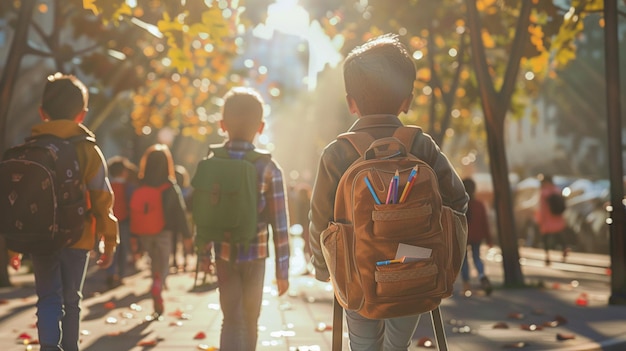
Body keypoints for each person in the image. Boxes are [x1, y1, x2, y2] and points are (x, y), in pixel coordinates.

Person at [308, 34, 468, 350]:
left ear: (351, 102)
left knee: (364, 344)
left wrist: (322, 268)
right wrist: (444, 258)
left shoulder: (337, 153)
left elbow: (318, 219)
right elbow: (458, 202)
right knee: (398, 345)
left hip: (356, 274)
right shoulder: (422, 146)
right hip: (415, 271)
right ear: (406, 101)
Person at [23, 73, 118, 351]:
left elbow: (19, 201)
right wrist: (109, 239)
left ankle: (49, 347)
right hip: (79, 236)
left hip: (40, 238)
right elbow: (102, 197)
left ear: (43, 113)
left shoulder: (31, 148)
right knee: (71, 300)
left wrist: (14, 247)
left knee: (47, 298)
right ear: (82, 114)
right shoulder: (88, 150)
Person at [196, 87, 290, 351]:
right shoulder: (269, 167)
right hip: (256, 254)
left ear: (222, 125)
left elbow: (202, 214)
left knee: (229, 320)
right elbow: (280, 225)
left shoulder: (211, 162)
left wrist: (203, 256)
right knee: (250, 320)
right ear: (260, 127)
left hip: (223, 254)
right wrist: (283, 270)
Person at [132, 144, 192, 318]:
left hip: (145, 231)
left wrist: (134, 236)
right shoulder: (170, 185)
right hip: (164, 231)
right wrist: (187, 236)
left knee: (153, 261)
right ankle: (159, 283)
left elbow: (135, 209)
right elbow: (180, 212)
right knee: (163, 263)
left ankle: (155, 281)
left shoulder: (141, 184)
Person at [105, 156, 137, 288]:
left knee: (111, 248)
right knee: (123, 248)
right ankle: (121, 275)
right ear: (124, 172)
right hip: (124, 221)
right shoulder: (128, 186)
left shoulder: (108, 186)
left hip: (110, 220)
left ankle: (110, 273)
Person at [460, 177, 493, 296]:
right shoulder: (479, 204)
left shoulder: (460, 205)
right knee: (476, 258)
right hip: (477, 236)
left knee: (463, 261)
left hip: (463, 236)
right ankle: (482, 276)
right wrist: (489, 239)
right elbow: (485, 223)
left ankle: (466, 286)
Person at [535, 174, 569, 265]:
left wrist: (539, 218)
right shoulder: (556, 190)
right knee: (559, 234)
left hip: (547, 219)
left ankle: (547, 256)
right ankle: (565, 248)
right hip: (557, 218)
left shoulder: (544, 192)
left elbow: (541, 207)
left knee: (545, 238)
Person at [171, 164, 193, 273]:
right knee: (186, 238)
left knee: (174, 240)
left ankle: (175, 260)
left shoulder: (171, 189)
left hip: (173, 218)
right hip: (186, 217)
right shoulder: (188, 190)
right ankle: (184, 259)